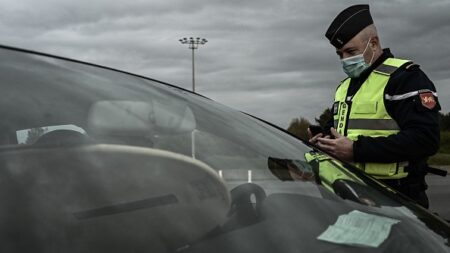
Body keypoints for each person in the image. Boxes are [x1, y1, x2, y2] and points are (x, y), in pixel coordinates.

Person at [309, 4, 441, 208]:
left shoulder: (406, 78)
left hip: (398, 199)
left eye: (350, 51)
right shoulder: (345, 87)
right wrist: (324, 138)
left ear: (374, 43)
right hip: (353, 195)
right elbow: (342, 129)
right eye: (340, 54)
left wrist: (356, 150)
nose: (345, 59)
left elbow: (426, 139)